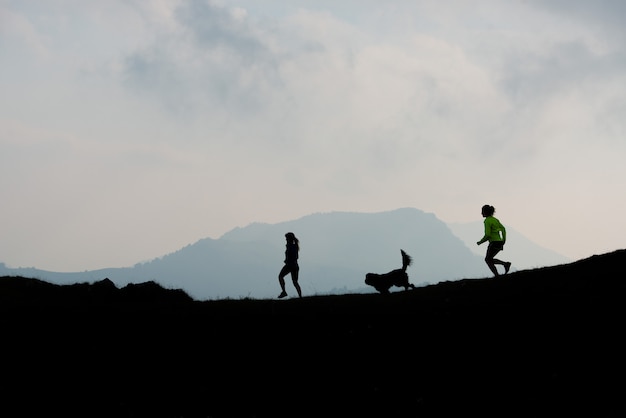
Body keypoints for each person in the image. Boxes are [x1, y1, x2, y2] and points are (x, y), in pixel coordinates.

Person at [476, 204, 512, 277]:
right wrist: (504, 240)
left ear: (486, 212)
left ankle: (498, 273)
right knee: (489, 259)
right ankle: (505, 265)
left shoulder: (487, 221)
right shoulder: (495, 220)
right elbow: (503, 229)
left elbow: (488, 235)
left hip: (494, 243)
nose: (481, 213)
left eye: (482, 211)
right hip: (499, 242)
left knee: (488, 260)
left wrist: (480, 242)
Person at [278, 232, 302, 298]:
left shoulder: (290, 247)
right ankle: (300, 296)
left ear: (289, 239)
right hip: (295, 265)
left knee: (280, 276)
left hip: (290, 265)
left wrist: (287, 260)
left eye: (286, 239)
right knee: (295, 282)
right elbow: (296, 257)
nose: (286, 240)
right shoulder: (295, 246)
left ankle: (284, 291)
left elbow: (292, 256)